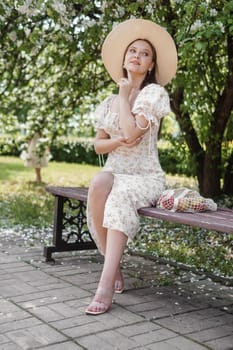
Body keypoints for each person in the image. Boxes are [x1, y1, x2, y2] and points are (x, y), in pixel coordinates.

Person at [85, 18, 178, 315]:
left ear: (150, 65)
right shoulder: (109, 101)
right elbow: (99, 145)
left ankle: (104, 284)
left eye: (145, 53)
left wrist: (125, 98)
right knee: (99, 182)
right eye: (132, 51)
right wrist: (115, 143)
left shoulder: (154, 94)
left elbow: (133, 132)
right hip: (115, 170)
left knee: (120, 194)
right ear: (124, 59)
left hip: (144, 176)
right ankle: (113, 266)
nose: (136, 55)